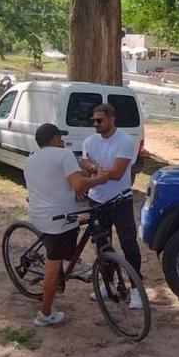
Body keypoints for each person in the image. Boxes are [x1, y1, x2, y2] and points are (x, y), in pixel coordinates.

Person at [26, 123, 111, 327]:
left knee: (74, 225)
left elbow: (56, 183)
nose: (63, 140)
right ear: (54, 139)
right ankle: (45, 313)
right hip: (57, 218)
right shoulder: (63, 155)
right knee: (53, 266)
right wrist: (100, 179)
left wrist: (81, 180)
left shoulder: (30, 159)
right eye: (60, 137)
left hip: (40, 214)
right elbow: (79, 185)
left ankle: (73, 258)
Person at [81, 103, 144, 309]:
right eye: (93, 121)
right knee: (102, 244)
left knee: (129, 245)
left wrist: (93, 167)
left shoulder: (125, 141)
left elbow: (117, 174)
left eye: (99, 120)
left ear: (111, 118)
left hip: (120, 200)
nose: (95, 124)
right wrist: (94, 168)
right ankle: (108, 285)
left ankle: (136, 290)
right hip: (96, 200)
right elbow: (85, 166)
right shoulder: (89, 141)